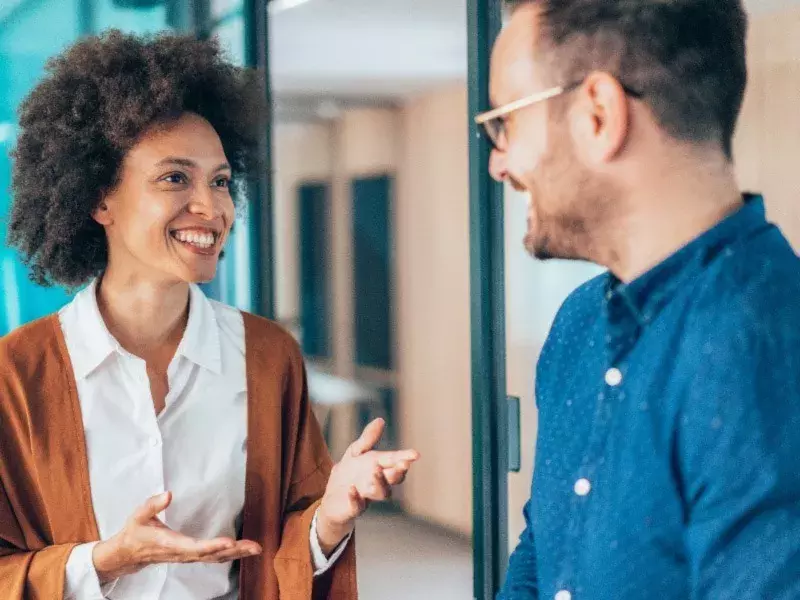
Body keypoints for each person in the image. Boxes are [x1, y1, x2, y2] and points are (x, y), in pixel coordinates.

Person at [0, 31, 418, 600]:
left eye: (220, 181)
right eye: (175, 177)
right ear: (99, 199)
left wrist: (332, 515)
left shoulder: (269, 358)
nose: (212, 207)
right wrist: (104, 560)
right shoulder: (16, 374)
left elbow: (286, 554)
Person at [475, 1, 800, 599]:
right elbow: (544, 552)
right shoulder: (578, 324)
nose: (499, 161)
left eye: (505, 124)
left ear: (599, 114)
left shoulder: (769, 346)